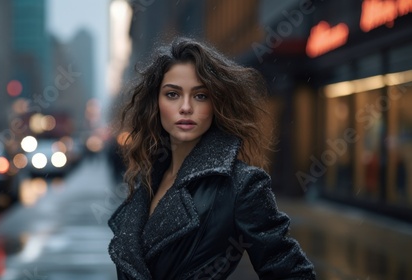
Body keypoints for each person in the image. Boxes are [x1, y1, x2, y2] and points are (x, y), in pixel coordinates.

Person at [108, 37, 316, 279]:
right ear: (156, 103)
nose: (186, 107)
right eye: (173, 94)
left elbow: (292, 272)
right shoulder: (147, 178)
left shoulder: (241, 184)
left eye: (200, 96)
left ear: (216, 104)